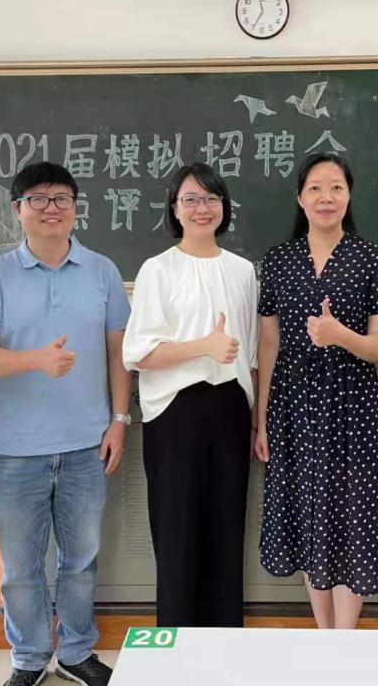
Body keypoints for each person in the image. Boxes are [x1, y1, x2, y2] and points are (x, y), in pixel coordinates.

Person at [0, 162, 132, 686]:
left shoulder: (103, 271)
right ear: (17, 210)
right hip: (15, 449)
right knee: (21, 568)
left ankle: (77, 652)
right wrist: (34, 360)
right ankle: (29, 657)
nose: (51, 208)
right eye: (38, 199)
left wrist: (119, 419)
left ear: (75, 208)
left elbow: (118, 353)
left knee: (80, 562)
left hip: (87, 444)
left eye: (62, 198)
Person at [254, 152, 378, 629]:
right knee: (309, 514)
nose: (326, 197)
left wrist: (340, 335)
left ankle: (345, 636)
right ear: (300, 198)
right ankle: (324, 634)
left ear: (349, 196)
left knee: (353, 515)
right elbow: (269, 344)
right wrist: (261, 421)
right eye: (315, 188)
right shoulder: (279, 260)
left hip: (353, 405)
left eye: (336, 187)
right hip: (293, 407)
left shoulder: (372, 258)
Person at [122, 162, 258, 627]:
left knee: (226, 528)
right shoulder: (158, 269)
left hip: (231, 408)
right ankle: (176, 642)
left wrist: (256, 420)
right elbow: (138, 354)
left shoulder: (243, 271)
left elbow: (251, 355)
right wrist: (203, 347)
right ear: (175, 209)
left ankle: (224, 641)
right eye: (191, 199)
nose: (203, 208)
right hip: (175, 413)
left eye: (211, 198)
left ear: (224, 206)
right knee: (177, 530)